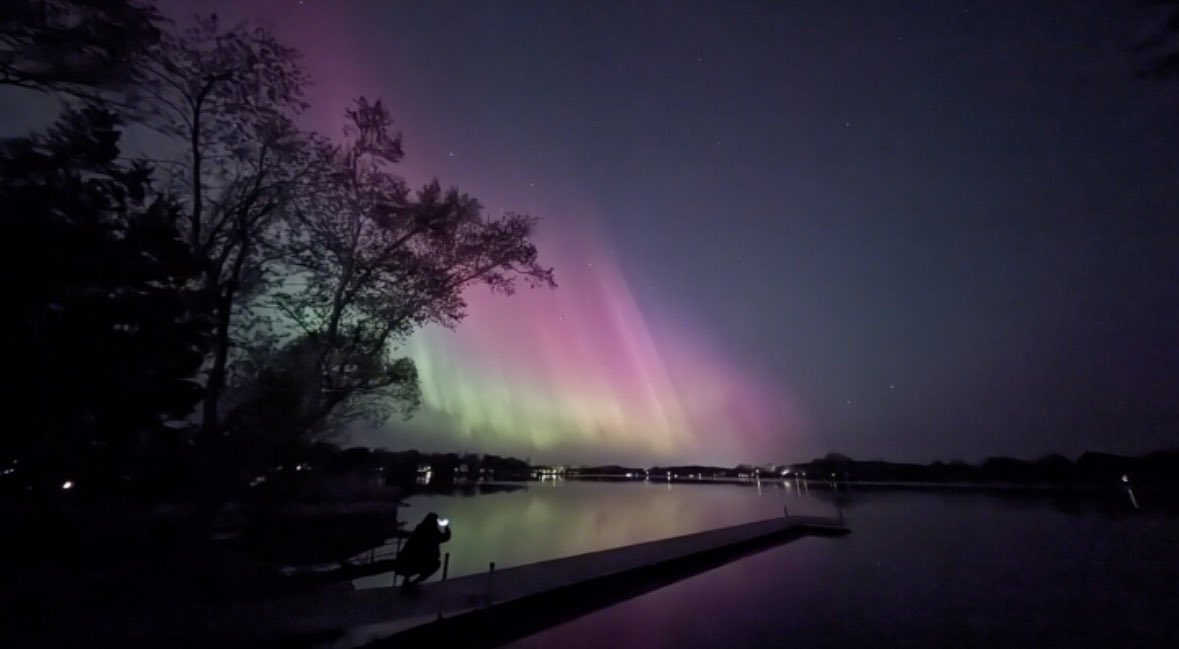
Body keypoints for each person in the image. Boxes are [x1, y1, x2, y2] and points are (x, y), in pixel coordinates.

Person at [393, 512, 451, 591]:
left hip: (409, 561)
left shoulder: (419, 529)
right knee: (435, 564)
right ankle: (414, 582)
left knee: (411, 566)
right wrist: (446, 527)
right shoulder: (432, 531)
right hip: (421, 561)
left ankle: (408, 582)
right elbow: (445, 537)